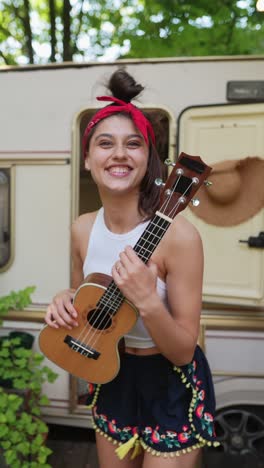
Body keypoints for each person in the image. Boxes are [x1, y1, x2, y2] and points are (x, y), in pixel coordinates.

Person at [45, 69, 219, 468]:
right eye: (105, 143)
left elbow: (182, 351)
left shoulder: (180, 237)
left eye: (134, 144)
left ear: (148, 159)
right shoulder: (82, 229)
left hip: (170, 381)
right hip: (113, 374)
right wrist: (63, 300)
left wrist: (148, 301)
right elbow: (82, 303)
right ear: (88, 159)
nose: (119, 153)